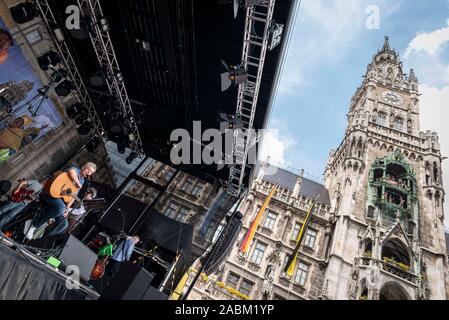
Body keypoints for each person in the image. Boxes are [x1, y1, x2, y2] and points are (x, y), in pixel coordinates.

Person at [25, 162, 97, 239]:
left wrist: (67, 209)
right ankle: (34, 224)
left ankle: (43, 240)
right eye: (88, 169)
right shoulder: (76, 170)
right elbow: (71, 171)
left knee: (63, 224)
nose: (89, 172)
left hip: (58, 199)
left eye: (91, 172)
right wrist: (77, 182)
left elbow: (73, 196)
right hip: (49, 193)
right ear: (83, 167)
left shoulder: (82, 181)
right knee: (60, 208)